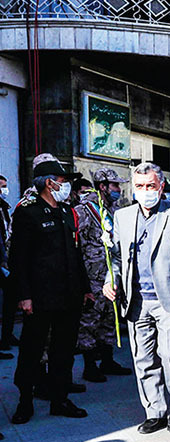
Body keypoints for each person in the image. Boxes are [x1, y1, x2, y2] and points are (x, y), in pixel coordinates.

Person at [103, 162, 170, 434]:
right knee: (143, 359)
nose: (145, 191)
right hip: (135, 300)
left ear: (161, 187)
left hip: (168, 298)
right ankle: (153, 410)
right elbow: (118, 258)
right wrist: (110, 281)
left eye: (151, 186)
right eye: (140, 186)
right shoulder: (123, 216)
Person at [10, 153, 93, 424]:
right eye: (61, 180)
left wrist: (85, 288)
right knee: (32, 350)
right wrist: (24, 296)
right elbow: (18, 260)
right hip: (40, 297)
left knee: (64, 349)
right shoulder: (27, 212)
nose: (65, 185)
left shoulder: (67, 211)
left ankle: (60, 399)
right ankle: (25, 401)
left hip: (68, 294)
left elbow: (76, 253)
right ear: (48, 183)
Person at [74, 168, 132, 383]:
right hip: (92, 276)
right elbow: (76, 244)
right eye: (115, 185)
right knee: (90, 321)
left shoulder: (113, 208)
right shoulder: (84, 210)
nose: (118, 189)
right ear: (103, 186)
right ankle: (90, 366)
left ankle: (108, 361)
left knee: (110, 318)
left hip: (111, 275)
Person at [0, 173, 17, 355]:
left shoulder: (4, 207)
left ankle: (7, 336)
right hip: (1, 261)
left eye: (5, 186)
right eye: (1, 186)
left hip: (6, 261)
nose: (4, 190)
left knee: (11, 300)